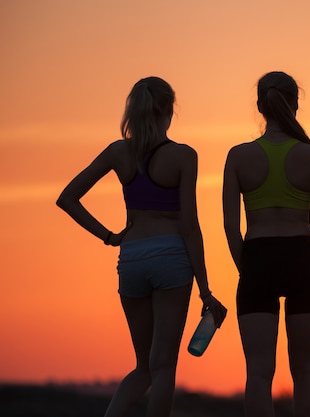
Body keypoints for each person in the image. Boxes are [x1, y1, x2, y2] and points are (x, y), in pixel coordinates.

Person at [56, 76, 227, 417]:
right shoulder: (183, 156)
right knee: (163, 366)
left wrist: (108, 236)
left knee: (143, 368)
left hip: (131, 257)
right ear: (168, 109)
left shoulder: (119, 152)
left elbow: (67, 198)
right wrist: (205, 290)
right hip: (171, 257)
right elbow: (190, 227)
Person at [222, 71, 310, 417]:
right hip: (303, 258)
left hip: (257, 259)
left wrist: (251, 270)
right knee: (305, 373)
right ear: (296, 105)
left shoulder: (238, 157)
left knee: (258, 373)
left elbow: (230, 228)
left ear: (260, 105)